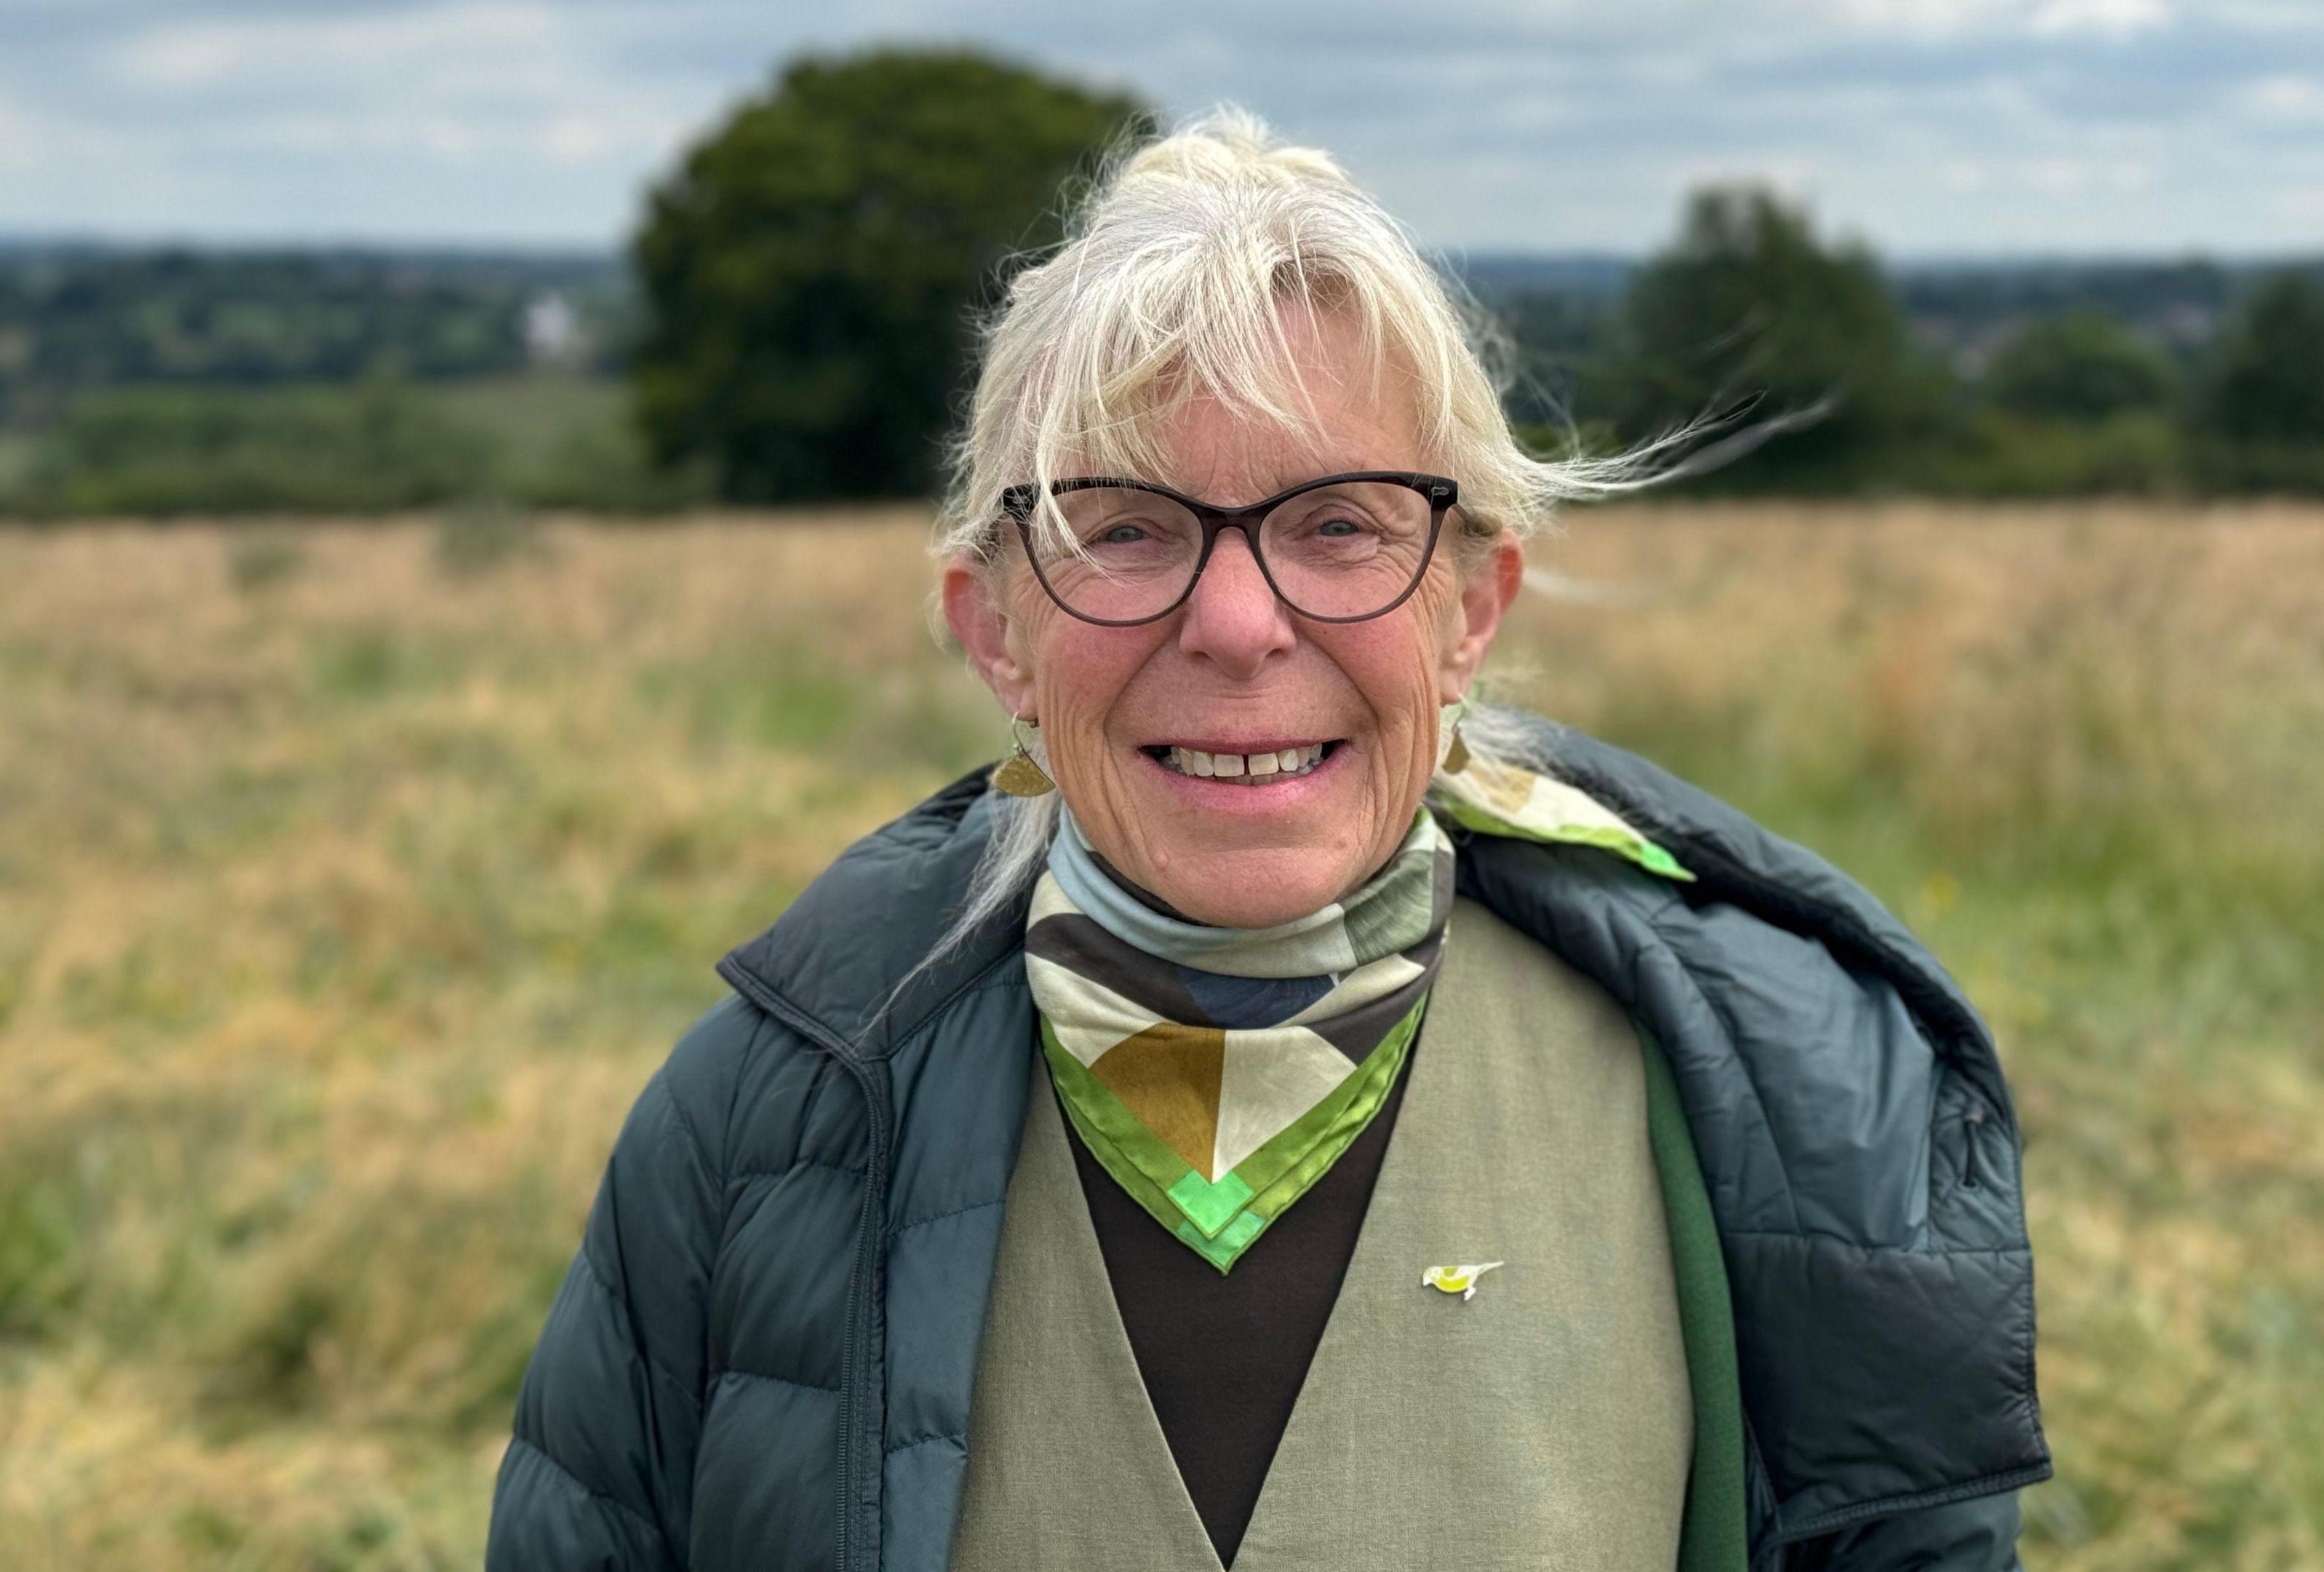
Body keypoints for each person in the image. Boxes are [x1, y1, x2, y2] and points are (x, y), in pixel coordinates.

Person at [486, 109, 2048, 1572]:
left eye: (1341, 523)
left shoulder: (1786, 1098)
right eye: (1125, 528)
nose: (1238, 625)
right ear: (996, 631)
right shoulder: (761, 1119)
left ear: (1469, 613)